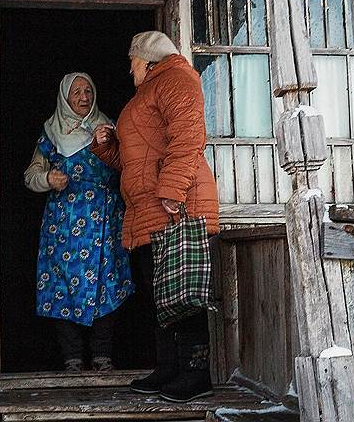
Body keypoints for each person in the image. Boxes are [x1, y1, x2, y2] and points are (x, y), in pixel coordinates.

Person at [91, 31, 219, 402]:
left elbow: (189, 137)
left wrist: (171, 190)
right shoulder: (146, 93)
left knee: (184, 294)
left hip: (178, 205)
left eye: (131, 61)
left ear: (146, 60)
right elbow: (135, 161)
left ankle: (196, 374)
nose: (129, 68)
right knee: (160, 293)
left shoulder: (177, 79)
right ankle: (169, 368)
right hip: (149, 208)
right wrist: (107, 146)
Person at [24, 72, 134, 373]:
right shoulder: (51, 133)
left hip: (104, 222)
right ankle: (71, 359)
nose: (84, 97)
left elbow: (127, 167)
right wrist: (47, 178)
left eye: (88, 90)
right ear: (65, 98)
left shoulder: (108, 127)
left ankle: (102, 356)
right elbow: (30, 176)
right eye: (77, 93)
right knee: (63, 286)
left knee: (105, 283)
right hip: (64, 227)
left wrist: (107, 144)